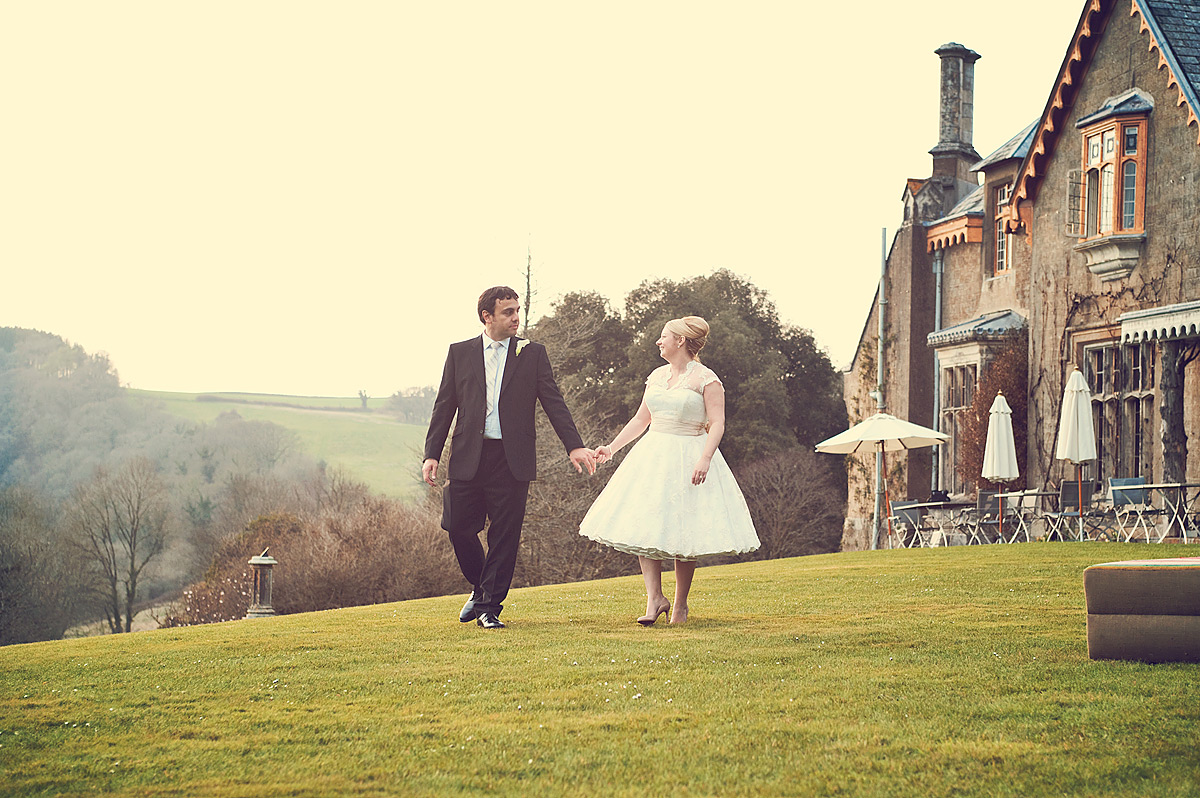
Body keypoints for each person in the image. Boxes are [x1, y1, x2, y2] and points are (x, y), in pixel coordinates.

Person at [423, 286, 596, 630]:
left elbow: (553, 401)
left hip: (512, 458)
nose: (516, 318)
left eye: (518, 310)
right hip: (468, 456)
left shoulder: (532, 353)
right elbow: (445, 406)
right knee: (457, 526)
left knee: (505, 534)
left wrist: (573, 445)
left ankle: (489, 607)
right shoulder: (460, 353)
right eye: (508, 312)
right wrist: (432, 453)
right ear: (487, 316)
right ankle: (480, 587)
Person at [579, 316, 759, 625]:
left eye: (664, 337)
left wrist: (705, 458)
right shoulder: (657, 376)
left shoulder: (706, 379)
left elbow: (717, 423)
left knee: (682, 527)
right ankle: (654, 598)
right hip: (653, 455)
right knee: (648, 523)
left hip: (690, 453)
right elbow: (641, 419)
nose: (659, 342)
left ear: (680, 341)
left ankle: (680, 605)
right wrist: (612, 448)